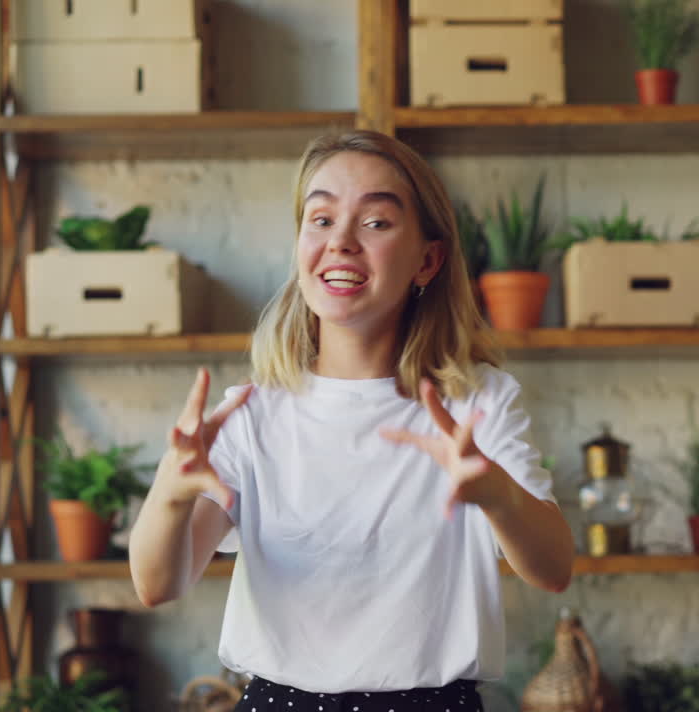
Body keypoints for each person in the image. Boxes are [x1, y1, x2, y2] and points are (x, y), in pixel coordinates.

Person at [128, 130, 574, 712]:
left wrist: (497, 495)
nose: (340, 242)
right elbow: (156, 584)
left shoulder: (476, 403)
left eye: (376, 223)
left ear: (427, 260)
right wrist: (169, 489)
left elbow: (555, 569)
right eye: (320, 219)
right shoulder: (249, 413)